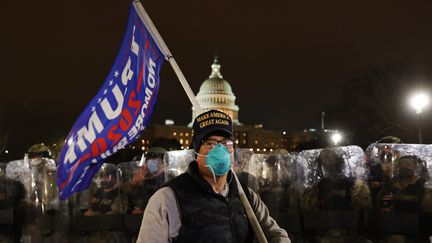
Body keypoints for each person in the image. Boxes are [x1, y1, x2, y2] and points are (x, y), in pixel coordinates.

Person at [137, 109, 290, 242]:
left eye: (226, 143)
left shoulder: (246, 196)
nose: (219, 149)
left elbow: (275, 233)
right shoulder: (168, 199)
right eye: (210, 143)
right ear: (196, 151)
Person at [301, 148, 372, 243]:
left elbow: (365, 213)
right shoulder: (317, 187)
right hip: (323, 236)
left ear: (340, 162)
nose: (329, 164)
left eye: (332, 160)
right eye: (325, 161)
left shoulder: (356, 185)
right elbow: (305, 207)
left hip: (349, 237)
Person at [376, 155, 432, 242]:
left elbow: (427, 217)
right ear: (398, 165)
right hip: (391, 235)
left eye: (410, 162)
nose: (407, 165)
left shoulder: (424, 187)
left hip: (417, 237)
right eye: (403, 162)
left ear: (416, 165)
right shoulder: (389, 187)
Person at [125, 146, 167, 215]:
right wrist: (134, 182)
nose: (149, 162)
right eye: (148, 159)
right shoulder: (143, 179)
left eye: (153, 159)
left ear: (163, 162)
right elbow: (128, 199)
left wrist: (144, 212)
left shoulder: (168, 180)